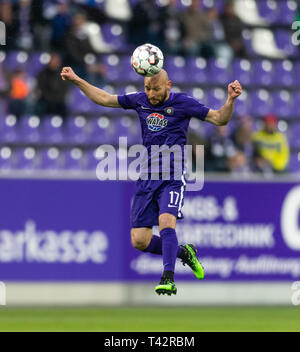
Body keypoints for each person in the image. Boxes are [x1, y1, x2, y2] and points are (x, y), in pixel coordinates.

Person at [61, 66, 242, 296]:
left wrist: (231, 100)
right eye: (147, 88)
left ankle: (168, 277)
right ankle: (184, 253)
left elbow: (219, 118)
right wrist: (77, 79)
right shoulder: (140, 101)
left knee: (167, 222)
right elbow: (105, 98)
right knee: (139, 240)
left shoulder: (183, 103)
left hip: (172, 176)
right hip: (147, 177)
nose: (151, 94)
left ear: (168, 85)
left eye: (155, 89)